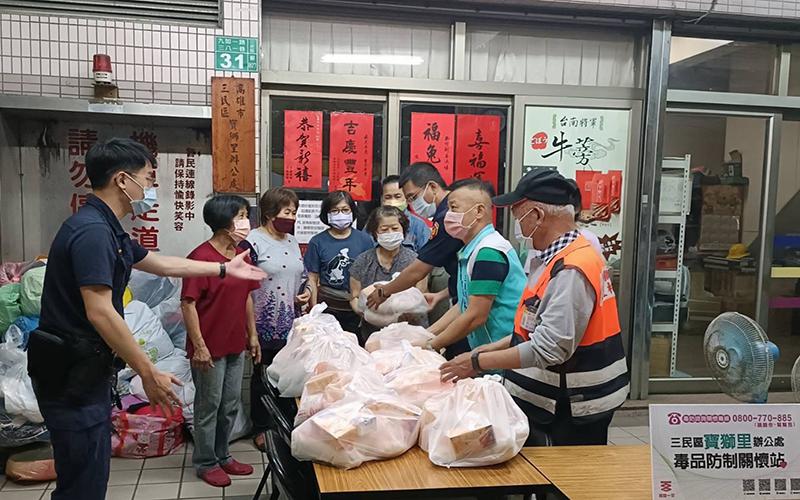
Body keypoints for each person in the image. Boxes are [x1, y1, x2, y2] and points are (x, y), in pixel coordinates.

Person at [27, 138, 265, 500]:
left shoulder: (109, 228)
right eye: (149, 178)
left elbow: (161, 263)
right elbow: (100, 310)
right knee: (82, 481)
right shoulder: (92, 232)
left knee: (90, 475)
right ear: (123, 180)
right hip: (70, 378)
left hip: (85, 372)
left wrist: (222, 268)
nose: (152, 188)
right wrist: (147, 371)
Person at [440, 169, 629, 447]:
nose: (517, 224)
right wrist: (487, 350)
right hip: (557, 396)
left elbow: (548, 348)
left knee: (565, 472)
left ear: (538, 215)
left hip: (576, 402)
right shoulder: (553, 258)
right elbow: (532, 328)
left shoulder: (572, 269)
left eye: (518, 215)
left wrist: (476, 362)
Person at [181, 195, 262, 487]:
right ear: (223, 222)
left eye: (246, 215)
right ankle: (206, 462)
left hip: (235, 343)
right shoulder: (200, 258)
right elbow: (188, 304)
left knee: (229, 404)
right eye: (240, 216)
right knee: (209, 406)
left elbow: (247, 297)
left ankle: (223, 455)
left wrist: (252, 335)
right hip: (208, 347)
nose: (246, 222)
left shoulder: (243, 255)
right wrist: (199, 346)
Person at [365, 163, 468, 357]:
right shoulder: (442, 215)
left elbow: (419, 270)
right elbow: (467, 279)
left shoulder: (447, 218)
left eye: (413, 197)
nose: (412, 204)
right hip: (462, 298)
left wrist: (385, 291)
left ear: (432, 187)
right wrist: (441, 295)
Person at [426, 179, 526, 353]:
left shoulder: (489, 252)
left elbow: (475, 316)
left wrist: (430, 345)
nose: (448, 215)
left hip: (503, 352)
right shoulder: (471, 250)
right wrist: (427, 334)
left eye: (453, 208)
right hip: (488, 350)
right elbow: (464, 305)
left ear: (479, 211)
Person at [245, 187, 309, 451]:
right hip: (262, 321)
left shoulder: (292, 241)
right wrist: (251, 332)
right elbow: (244, 286)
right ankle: (262, 427)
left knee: (288, 374)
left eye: (294, 212)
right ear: (270, 212)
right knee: (263, 376)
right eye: (286, 212)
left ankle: (284, 423)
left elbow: (300, 275)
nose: (291, 217)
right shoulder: (252, 241)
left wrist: (304, 293)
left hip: (291, 321)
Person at [349, 206, 428, 342]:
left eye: (395, 228)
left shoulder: (416, 262)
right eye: (384, 230)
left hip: (409, 334)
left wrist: (407, 313)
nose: (390, 233)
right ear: (375, 233)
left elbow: (421, 294)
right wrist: (368, 313)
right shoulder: (363, 261)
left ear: (403, 230)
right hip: (372, 334)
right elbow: (354, 296)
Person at [304, 190, 374, 334]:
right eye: (334, 211)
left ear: (352, 212)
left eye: (345, 210)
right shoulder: (317, 242)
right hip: (328, 308)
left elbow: (370, 274)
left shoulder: (365, 240)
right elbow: (312, 278)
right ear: (327, 214)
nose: (340, 214)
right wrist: (314, 310)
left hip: (357, 309)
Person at [380, 174, 431, 251]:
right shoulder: (373, 224)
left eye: (397, 196)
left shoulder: (419, 226)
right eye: (388, 197)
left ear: (406, 198)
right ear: (382, 199)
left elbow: (427, 255)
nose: (393, 201)